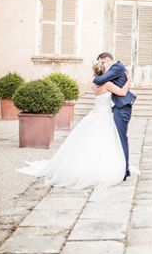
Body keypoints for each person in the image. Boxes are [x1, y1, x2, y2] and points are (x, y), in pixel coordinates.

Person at [17, 61, 132, 189]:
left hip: (95, 114)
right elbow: (122, 92)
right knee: (103, 143)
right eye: (108, 68)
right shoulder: (108, 84)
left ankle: (86, 167)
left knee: (89, 144)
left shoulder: (95, 85)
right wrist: (128, 80)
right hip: (104, 116)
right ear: (105, 73)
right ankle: (99, 169)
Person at [92, 52, 137, 181]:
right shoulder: (113, 72)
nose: (102, 65)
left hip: (122, 108)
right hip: (116, 108)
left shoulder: (116, 67)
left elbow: (99, 80)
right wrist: (128, 80)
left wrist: (96, 77)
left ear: (106, 60)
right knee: (116, 139)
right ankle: (121, 168)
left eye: (102, 62)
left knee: (121, 138)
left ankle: (124, 170)